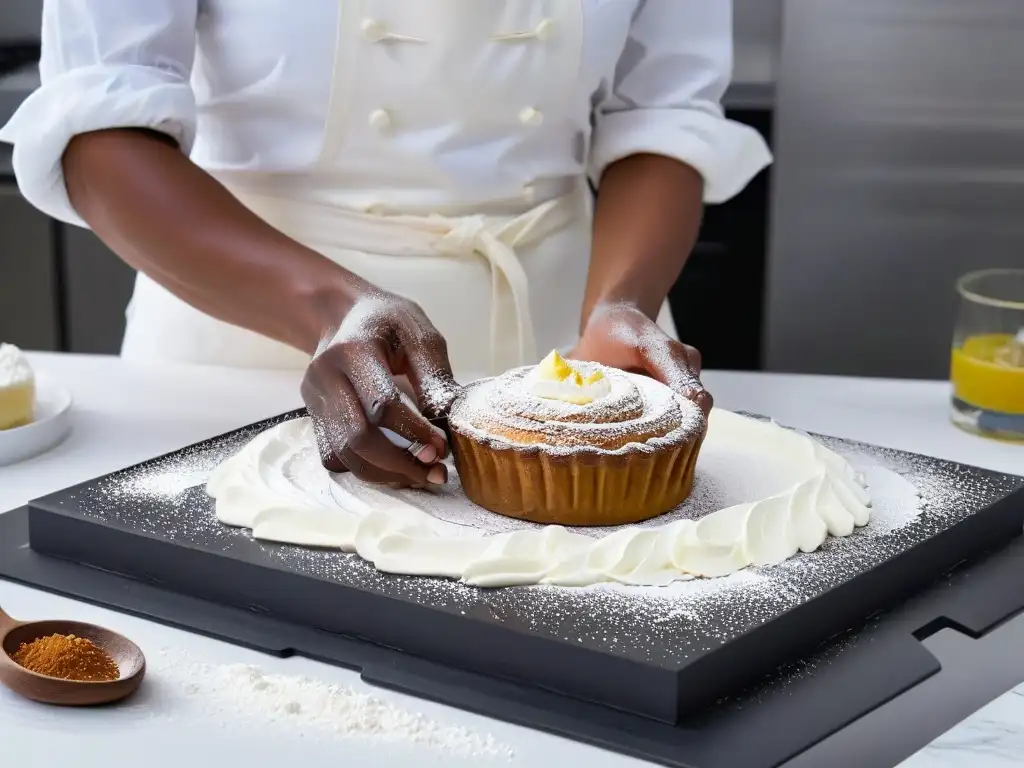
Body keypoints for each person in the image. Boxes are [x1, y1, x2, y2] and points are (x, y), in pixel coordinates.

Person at [1, 1, 771, 488]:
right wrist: (333, 310)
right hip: (243, 339)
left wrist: (620, 303)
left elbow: (663, 116)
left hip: (566, 349)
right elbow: (99, 133)